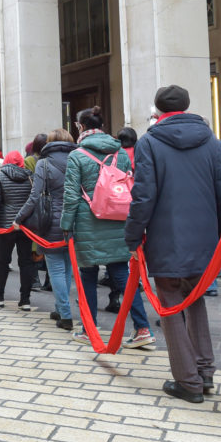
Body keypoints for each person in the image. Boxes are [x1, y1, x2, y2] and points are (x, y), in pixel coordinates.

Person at [125, 86, 221, 403]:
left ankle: (187, 381)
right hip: (204, 240)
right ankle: (204, 371)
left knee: (171, 306)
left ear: (158, 109)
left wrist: (133, 237)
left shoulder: (149, 142)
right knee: (195, 301)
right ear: (187, 106)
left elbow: (143, 196)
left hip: (166, 237)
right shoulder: (213, 143)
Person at [62, 105, 155, 349]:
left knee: (88, 275)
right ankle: (142, 328)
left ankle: (88, 328)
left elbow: (71, 194)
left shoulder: (77, 156)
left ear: (81, 127)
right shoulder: (121, 154)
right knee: (123, 274)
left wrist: (65, 225)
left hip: (86, 222)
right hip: (118, 219)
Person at [17, 128, 77, 329]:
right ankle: (61, 308)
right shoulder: (77, 158)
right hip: (75, 219)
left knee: (57, 269)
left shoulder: (43, 163)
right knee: (67, 267)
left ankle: (65, 314)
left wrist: (19, 218)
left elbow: (35, 196)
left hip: (51, 221)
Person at [0, 151, 34, 309]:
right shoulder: (29, 177)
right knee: (26, 262)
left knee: (3, 261)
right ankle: (25, 300)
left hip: (5, 225)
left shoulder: (0, 177)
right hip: (24, 224)